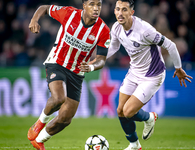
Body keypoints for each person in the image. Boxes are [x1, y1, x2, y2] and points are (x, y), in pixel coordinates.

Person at [106, 0, 193, 150]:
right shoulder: (116, 28)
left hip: (153, 75)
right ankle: (134, 145)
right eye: (118, 9)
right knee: (120, 110)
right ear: (114, 11)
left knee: (128, 111)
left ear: (131, 12)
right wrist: (98, 59)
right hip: (134, 72)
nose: (120, 13)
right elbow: (113, 47)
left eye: (124, 9)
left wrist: (178, 68)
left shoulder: (145, 30)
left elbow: (170, 45)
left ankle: (149, 117)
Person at [27, 0, 110, 150]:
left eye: (99, 5)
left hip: (77, 73)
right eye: (92, 4)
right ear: (84, 5)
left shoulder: (103, 30)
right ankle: (38, 124)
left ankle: (39, 140)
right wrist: (34, 20)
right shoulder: (69, 14)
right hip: (57, 63)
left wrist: (91, 67)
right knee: (59, 98)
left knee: (65, 118)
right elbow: (44, 8)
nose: (96, 8)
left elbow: (101, 60)